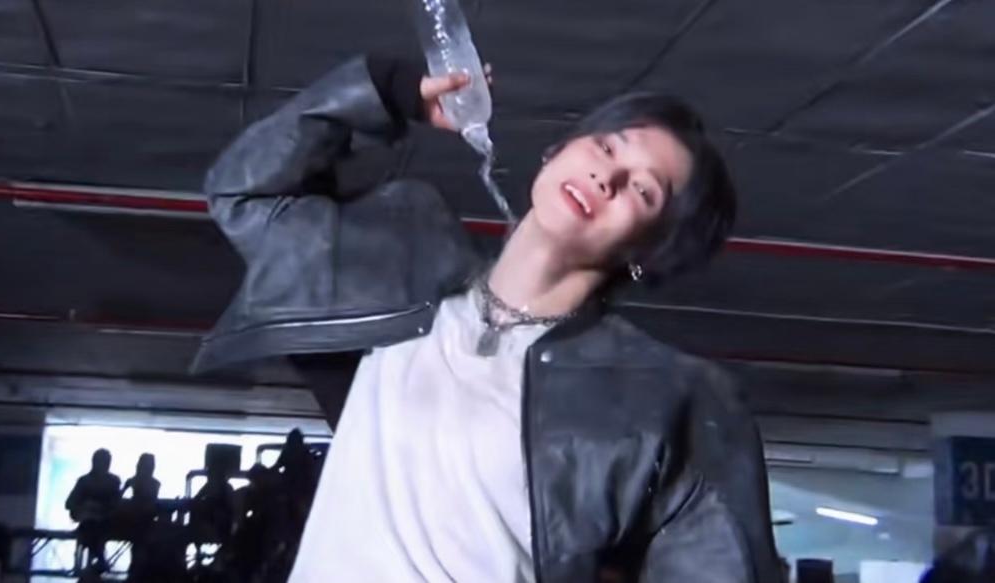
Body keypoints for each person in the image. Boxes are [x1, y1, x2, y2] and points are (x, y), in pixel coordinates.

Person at [192, 53, 781, 582]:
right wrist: (383, 92)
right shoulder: (392, 275)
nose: (607, 177)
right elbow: (245, 193)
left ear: (649, 253)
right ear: (556, 152)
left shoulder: (667, 400)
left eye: (644, 192)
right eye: (606, 147)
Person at [65, 448, 121, 572]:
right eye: (102, 462)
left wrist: (102, 510)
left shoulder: (112, 482)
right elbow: (69, 503)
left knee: (96, 528)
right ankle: (98, 558)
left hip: (105, 521)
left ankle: (97, 559)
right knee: (92, 526)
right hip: (88, 520)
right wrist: (86, 508)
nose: (104, 465)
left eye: (106, 462)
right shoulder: (84, 481)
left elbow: (116, 504)